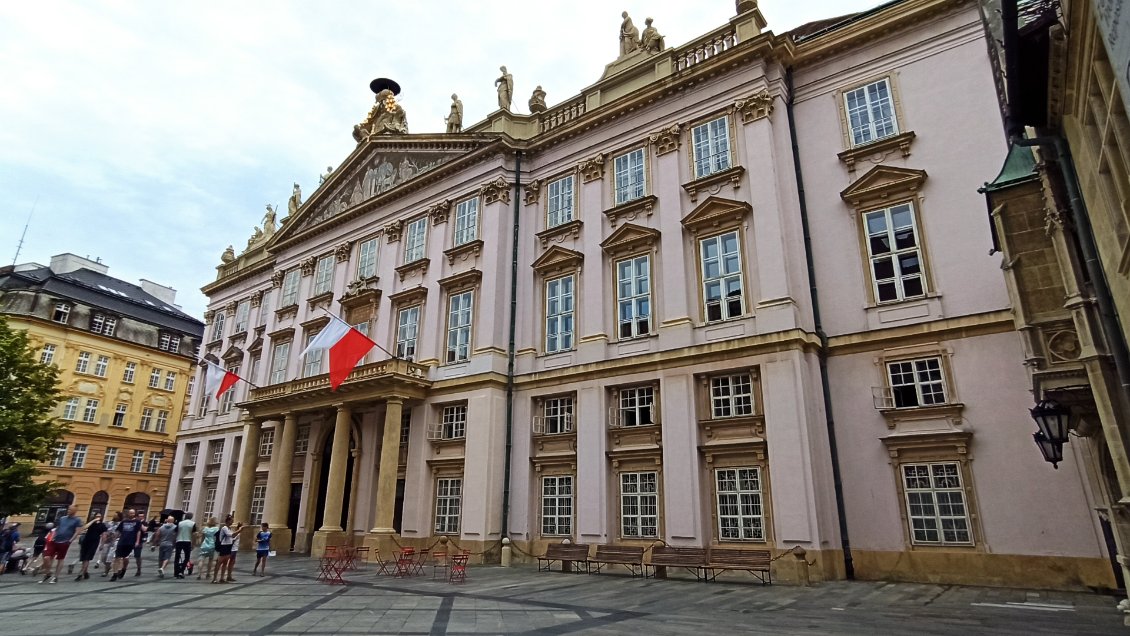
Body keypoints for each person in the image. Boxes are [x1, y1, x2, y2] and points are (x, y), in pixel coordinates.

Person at [42, 505, 83, 583]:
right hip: (54, 540)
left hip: (65, 541)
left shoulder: (77, 520)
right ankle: (48, 573)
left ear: (75, 511)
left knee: (60, 559)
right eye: (68, 509)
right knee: (47, 557)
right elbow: (57, 528)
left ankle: (56, 576)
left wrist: (70, 540)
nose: (68, 510)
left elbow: (77, 531)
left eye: (70, 509)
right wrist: (52, 536)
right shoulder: (62, 518)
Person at [110, 509, 143, 582]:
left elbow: (138, 532)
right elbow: (118, 531)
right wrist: (115, 538)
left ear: (134, 514)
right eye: (130, 513)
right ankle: (114, 574)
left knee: (125, 558)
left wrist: (137, 542)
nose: (131, 514)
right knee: (117, 557)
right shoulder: (124, 521)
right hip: (122, 542)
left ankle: (124, 569)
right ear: (128, 513)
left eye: (133, 513)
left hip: (131, 542)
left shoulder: (137, 522)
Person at [75, 513, 106, 581]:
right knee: (83, 558)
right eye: (97, 516)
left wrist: (102, 544)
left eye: (99, 516)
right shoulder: (91, 523)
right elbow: (84, 528)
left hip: (94, 542)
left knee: (87, 558)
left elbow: (104, 535)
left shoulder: (102, 525)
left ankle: (80, 573)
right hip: (86, 541)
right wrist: (93, 521)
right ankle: (85, 572)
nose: (98, 517)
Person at [174, 512, 196, 579]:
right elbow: (194, 534)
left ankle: (176, 572)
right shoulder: (193, 524)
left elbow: (175, 531)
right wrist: (193, 544)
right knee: (187, 557)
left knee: (177, 557)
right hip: (187, 541)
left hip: (179, 540)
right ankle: (182, 571)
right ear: (191, 517)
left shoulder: (180, 523)